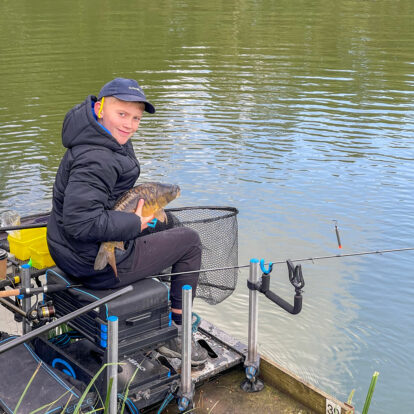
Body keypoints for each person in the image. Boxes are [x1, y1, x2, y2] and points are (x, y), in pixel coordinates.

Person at [47, 77, 208, 365]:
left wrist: (142, 217)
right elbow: (80, 223)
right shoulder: (96, 158)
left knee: (168, 224)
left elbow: (98, 201)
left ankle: (158, 297)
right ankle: (175, 333)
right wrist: (134, 225)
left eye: (135, 118)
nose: (129, 124)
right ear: (99, 109)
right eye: (122, 114)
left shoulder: (95, 136)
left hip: (69, 251)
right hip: (90, 261)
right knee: (190, 242)